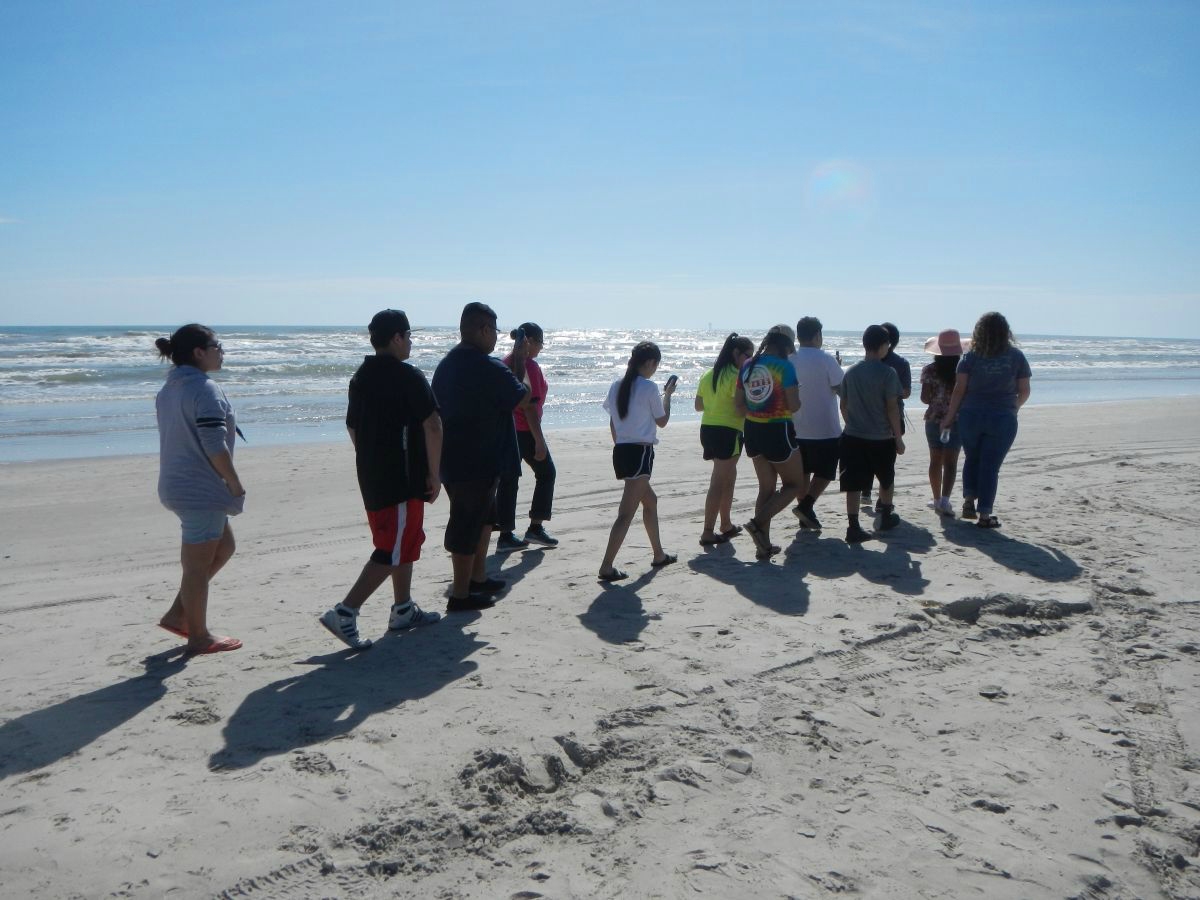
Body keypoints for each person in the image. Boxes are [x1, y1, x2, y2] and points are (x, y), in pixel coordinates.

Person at [318, 310, 444, 650]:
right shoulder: (407, 376)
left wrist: (371, 458)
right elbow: (433, 424)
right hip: (402, 478)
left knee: (405, 540)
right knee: (391, 547)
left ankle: (403, 608)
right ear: (397, 338)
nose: (411, 343)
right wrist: (435, 473)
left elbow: (352, 427)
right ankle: (345, 611)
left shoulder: (362, 376)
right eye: (409, 336)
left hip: (373, 475)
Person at [432, 302, 531, 611]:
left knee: (484, 520)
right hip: (477, 459)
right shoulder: (485, 365)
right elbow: (523, 395)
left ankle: (477, 579)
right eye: (494, 331)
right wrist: (523, 361)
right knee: (466, 524)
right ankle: (460, 595)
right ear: (483, 330)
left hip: (455, 456)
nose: (495, 338)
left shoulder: (448, 364)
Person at [153, 324, 245, 655]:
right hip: (199, 489)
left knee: (224, 547)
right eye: (216, 345)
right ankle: (198, 636)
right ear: (198, 352)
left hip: (177, 484)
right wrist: (233, 482)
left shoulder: (170, 388)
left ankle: (179, 613)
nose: (221, 351)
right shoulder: (204, 389)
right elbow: (213, 443)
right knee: (195, 566)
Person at [940, 312, 1031, 528]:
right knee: (990, 466)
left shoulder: (970, 357)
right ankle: (985, 514)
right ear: (1005, 332)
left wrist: (949, 418)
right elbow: (1024, 391)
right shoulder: (1016, 357)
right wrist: (1014, 408)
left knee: (972, 458)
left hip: (971, 416)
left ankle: (969, 502)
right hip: (1002, 416)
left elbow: (959, 390)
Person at [598, 341, 677, 580]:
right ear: (651, 362)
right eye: (656, 364)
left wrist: (621, 442)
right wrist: (668, 396)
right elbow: (662, 421)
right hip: (640, 453)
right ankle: (606, 566)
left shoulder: (616, 385)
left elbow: (613, 421)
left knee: (650, 501)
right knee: (626, 513)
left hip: (621, 451)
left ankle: (659, 554)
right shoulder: (649, 387)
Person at [735, 326, 804, 560]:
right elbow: (794, 405)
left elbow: (739, 404)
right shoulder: (784, 367)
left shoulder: (748, 365)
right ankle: (757, 524)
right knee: (794, 484)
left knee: (766, 488)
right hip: (778, 429)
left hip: (752, 429)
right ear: (786, 345)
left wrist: (758, 412)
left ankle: (762, 546)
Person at [838, 324, 905, 543]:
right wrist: (898, 437)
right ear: (884, 346)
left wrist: (853, 424)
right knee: (886, 479)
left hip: (853, 436)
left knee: (854, 483)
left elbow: (843, 405)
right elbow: (892, 407)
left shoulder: (852, 371)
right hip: (881, 437)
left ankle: (853, 525)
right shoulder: (888, 373)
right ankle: (885, 516)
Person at [495, 322, 558, 552]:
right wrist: (539, 440)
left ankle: (505, 535)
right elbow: (530, 407)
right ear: (529, 341)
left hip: (505, 431)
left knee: (508, 480)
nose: (541, 348)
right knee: (547, 473)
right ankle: (535, 527)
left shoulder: (503, 362)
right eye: (540, 343)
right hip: (524, 430)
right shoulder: (528, 366)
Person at [694, 333, 754, 546]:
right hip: (728, 432)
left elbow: (698, 406)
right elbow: (741, 409)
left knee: (728, 476)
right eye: (748, 356)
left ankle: (726, 524)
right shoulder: (737, 376)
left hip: (707, 429)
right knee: (719, 481)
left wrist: (716, 403)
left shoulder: (709, 374)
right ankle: (708, 531)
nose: (750, 361)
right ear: (736, 353)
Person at [788, 316, 844, 531]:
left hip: (797, 426)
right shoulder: (826, 359)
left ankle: (805, 513)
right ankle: (807, 506)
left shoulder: (791, 359)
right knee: (826, 472)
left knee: (803, 471)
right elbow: (841, 388)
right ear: (817, 335)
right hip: (825, 428)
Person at [920, 328, 968, 518]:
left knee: (935, 460)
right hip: (956, 419)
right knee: (951, 462)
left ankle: (936, 497)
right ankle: (946, 499)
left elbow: (924, 398)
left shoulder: (930, 370)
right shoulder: (963, 370)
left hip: (933, 418)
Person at [864, 322, 912, 509]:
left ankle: (882, 499)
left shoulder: (900, 363)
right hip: (871, 414)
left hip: (892, 415)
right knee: (869, 455)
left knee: (887, 460)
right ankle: (868, 491)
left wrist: (889, 391)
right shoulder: (868, 361)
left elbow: (907, 391)